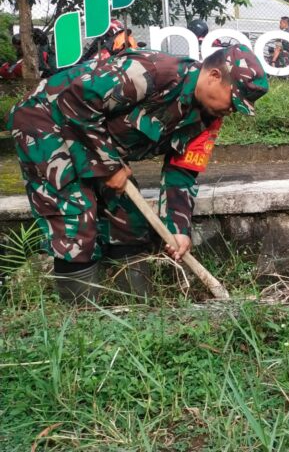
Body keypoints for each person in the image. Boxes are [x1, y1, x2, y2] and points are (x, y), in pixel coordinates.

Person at [6, 45, 268, 303]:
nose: (232, 110)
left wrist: (179, 229)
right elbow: (75, 100)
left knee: (130, 219)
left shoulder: (209, 118)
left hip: (93, 137)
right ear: (214, 76)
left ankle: (137, 311)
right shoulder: (150, 72)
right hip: (46, 121)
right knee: (76, 217)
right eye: (232, 100)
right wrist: (110, 166)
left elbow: (183, 171)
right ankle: (81, 327)